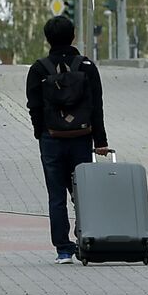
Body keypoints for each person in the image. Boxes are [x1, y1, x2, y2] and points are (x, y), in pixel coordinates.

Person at [25, 15, 110, 264]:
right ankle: (86, 241)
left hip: (50, 138)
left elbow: (34, 106)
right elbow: (96, 106)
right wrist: (100, 141)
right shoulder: (86, 66)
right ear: (73, 35)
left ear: (47, 38)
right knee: (82, 192)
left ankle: (63, 249)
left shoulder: (38, 69)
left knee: (56, 196)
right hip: (82, 138)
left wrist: (40, 131)